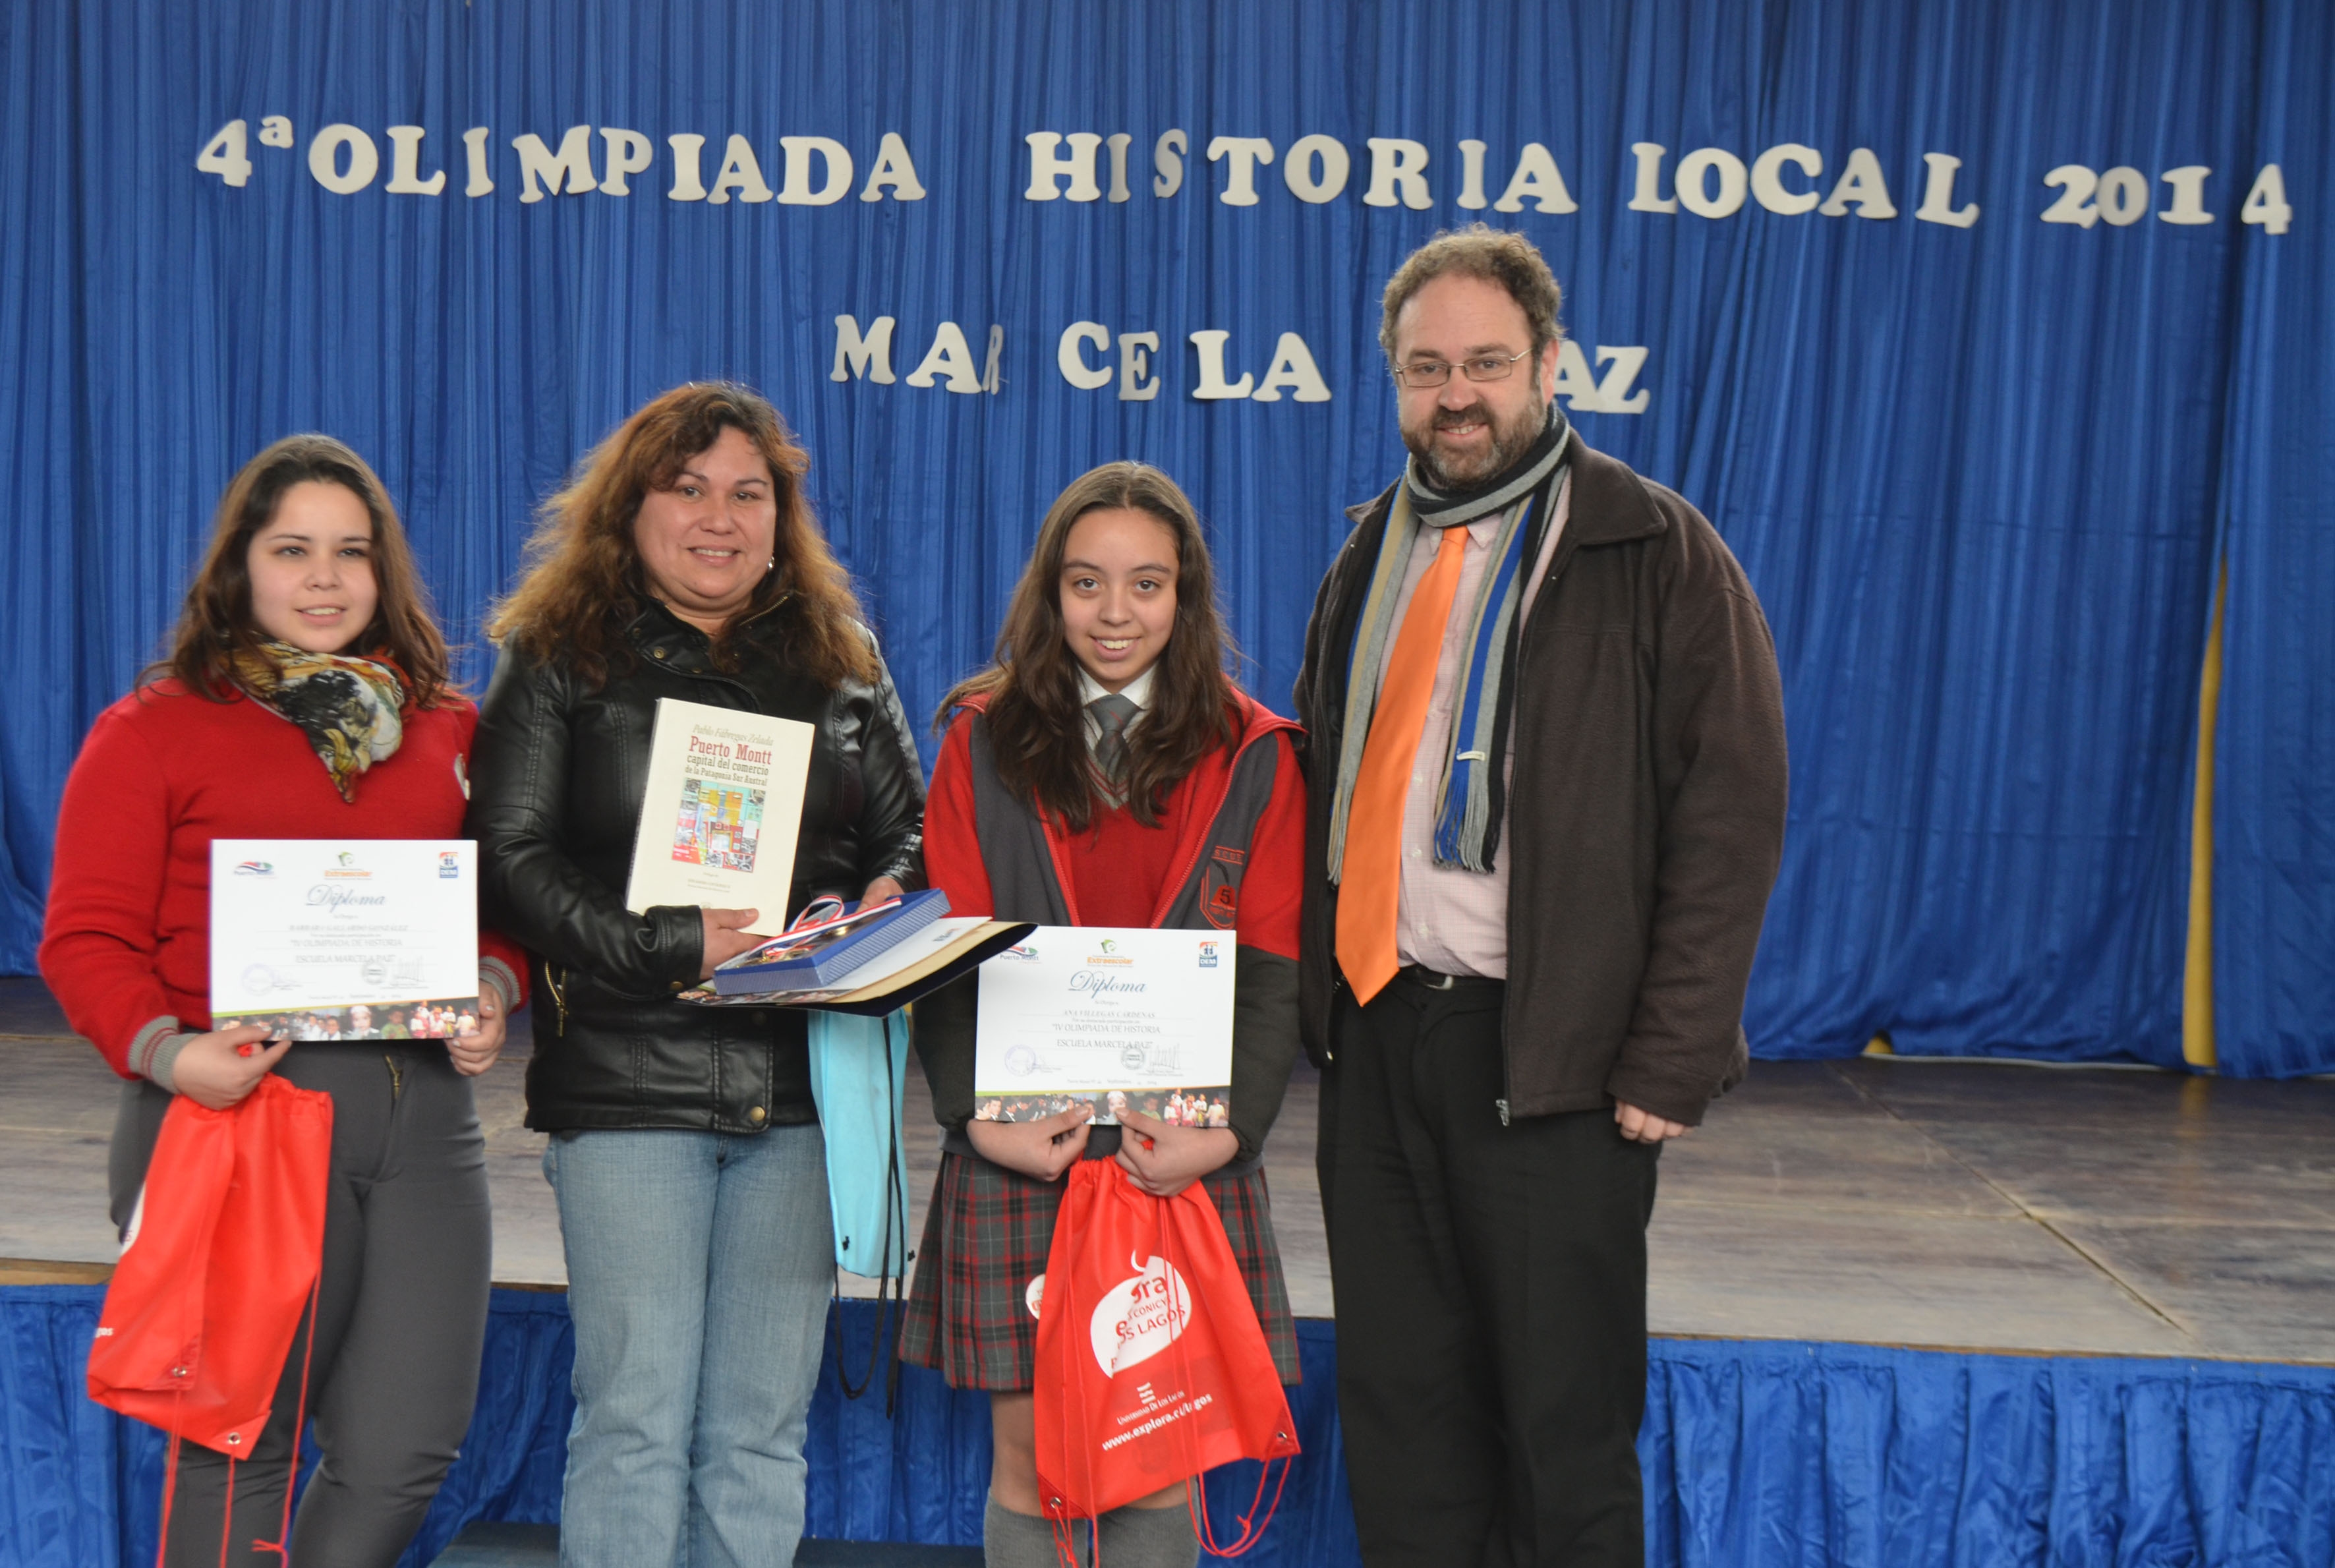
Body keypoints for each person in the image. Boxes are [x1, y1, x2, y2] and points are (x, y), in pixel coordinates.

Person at [1292, 226, 1789, 1567]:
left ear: (1550, 365)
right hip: (1382, 1036)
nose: (1456, 393)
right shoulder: (1369, 556)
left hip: (1554, 1065)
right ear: (1392, 379)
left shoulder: (1652, 546)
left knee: (1558, 1437)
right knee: (1400, 1415)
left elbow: (1730, 814)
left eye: (1487, 363)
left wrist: (1670, 1056)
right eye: (1425, 366)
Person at [38, 434, 525, 1568]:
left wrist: (493, 988)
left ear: (385, 572)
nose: (323, 578)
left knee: (408, 1449)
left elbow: (498, 905)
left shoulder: (448, 727)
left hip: (424, 1126)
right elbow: (86, 938)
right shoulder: (155, 728)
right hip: (230, 1113)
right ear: (239, 568)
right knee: (235, 1442)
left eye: (352, 553)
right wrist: (170, 1056)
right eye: (292, 549)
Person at [467, 381, 925, 1568]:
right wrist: (673, 946)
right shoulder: (561, 656)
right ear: (631, 509)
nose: (718, 517)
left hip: (804, 1093)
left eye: (747, 493)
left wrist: (883, 905)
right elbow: (508, 863)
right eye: (687, 488)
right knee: (632, 1423)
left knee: (760, 1434)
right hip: (627, 1086)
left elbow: (912, 836)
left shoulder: (845, 658)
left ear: (782, 517)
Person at [900, 461, 1308, 1568]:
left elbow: (1273, 968)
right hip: (1020, 1140)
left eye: (1146, 585)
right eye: (1087, 584)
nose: (1116, 614)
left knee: (1154, 1453)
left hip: (1179, 1148)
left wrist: (1233, 1132)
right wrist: (974, 1119)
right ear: (1051, 592)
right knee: (1032, 1463)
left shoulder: (1257, 751)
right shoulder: (980, 737)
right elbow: (944, 951)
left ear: (1187, 597)